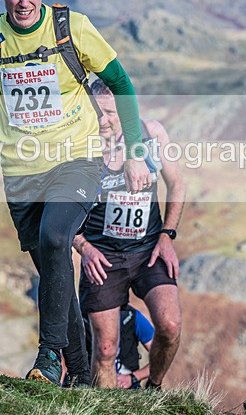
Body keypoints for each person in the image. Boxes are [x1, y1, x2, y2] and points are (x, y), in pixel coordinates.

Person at [0, 0, 151, 386]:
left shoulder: (71, 28)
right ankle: (79, 376)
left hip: (76, 159)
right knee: (55, 273)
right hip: (21, 175)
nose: (23, 2)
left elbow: (121, 83)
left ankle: (47, 357)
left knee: (57, 236)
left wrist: (135, 152)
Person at [73, 79, 185, 389]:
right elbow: (58, 214)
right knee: (106, 349)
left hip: (149, 249)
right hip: (102, 258)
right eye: (96, 111)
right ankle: (105, 409)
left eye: (109, 112)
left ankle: (154, 388)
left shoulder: (151, 133)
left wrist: (167, 236)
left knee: (170, 325)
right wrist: (84, 247)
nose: (101, 120)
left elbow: (177, 183)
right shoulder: (79, 146)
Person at [69, 304, 154, 389]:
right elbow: (65, 357)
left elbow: (161, 357)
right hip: (88, 386)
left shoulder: (132, 316)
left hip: (129, 389)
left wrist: (133, 378)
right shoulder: (80, 316)